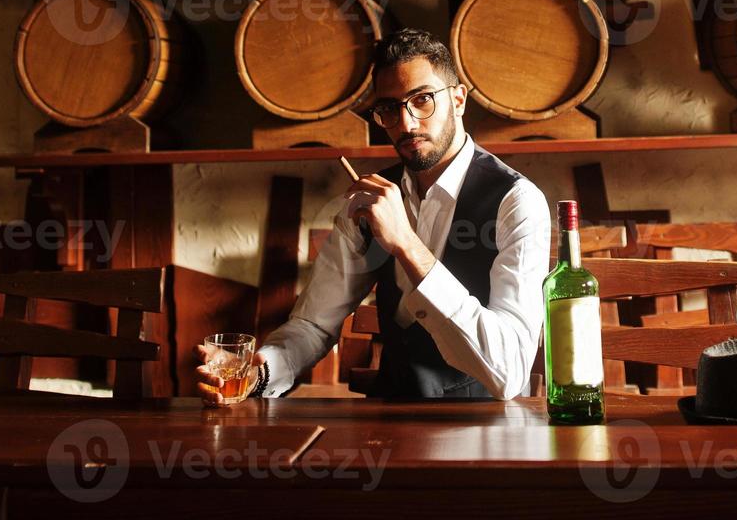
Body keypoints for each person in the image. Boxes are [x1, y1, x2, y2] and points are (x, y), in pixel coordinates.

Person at [195, 28, 552, 401]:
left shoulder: (517, 202)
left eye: (423, 100)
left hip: (485, 431)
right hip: (389, 424)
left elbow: (509, 373)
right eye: (389, 108)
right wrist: (258, 371)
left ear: (458, 99)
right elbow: (314, 325)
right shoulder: (368, 199)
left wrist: (407, 245)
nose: (406, 123)